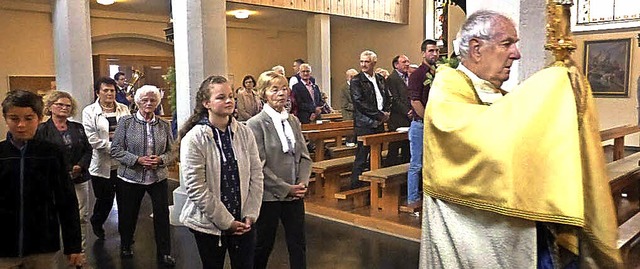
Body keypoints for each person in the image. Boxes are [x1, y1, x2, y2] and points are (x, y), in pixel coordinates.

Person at [420, 10, 621, 268]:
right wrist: (552, 84)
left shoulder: (493, 93)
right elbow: (484, 141)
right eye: (507, 44)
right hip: (474, 239)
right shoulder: (446, 94)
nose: (516, 53)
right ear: (476, 48)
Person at [178, 76, 264, 269]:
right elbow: (196, 187)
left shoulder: (244, 132)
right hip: (210, 223)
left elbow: (256, 174)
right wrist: (227, 222)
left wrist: (250, 213)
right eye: (221, 97)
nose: (229, 101)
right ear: (206, 103)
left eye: (231, 96)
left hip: (244, 219)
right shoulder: (194, 138)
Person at [0, 90, 85, 268]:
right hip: (4, 245)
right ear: (5, 118)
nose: (21, 125)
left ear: (38, 118)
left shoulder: (52, 153)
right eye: (14, 118)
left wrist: (73, 246)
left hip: (42, 243)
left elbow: (66, 200)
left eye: (28, 118)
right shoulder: (2, 153)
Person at [247, 71, 312, 269]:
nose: (281, 94)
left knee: (298, 244)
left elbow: (304, 156)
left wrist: (302, 183)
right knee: (263, 245)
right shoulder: (255, 124)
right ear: (263, 93)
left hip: (294, 195)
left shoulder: (292, 121)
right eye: (275, 90)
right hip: (270, 196)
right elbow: (258, 166)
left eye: (284, 89)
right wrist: (285, 188)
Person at [110, 85, 176, 266]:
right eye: (144, 100)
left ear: (157, 102)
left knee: (162, 216)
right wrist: (137, 159)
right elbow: (115, 149)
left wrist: (161, 160)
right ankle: (125, 245)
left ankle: (165, 252)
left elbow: (173, 152)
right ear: (137, 102)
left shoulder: (164, 124)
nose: (148, 103)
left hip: (157, 178)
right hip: (130, 177)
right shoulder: (125, 122)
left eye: (152, 100)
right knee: (128, 214)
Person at [35, 90, 92, 251]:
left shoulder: (78, 128)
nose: (64, 108)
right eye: (59, 104)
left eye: (68, 105)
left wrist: (80, 165)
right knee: (54, 217)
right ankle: (54, 251)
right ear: (50, 106)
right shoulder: (41, 130)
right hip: (53, 181)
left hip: (78, 178)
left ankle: (79, 253)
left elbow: (88, 150)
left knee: (81, 217)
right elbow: (39, 154)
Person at [82, 76, 131, 241]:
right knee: (105, 201)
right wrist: (118, 149)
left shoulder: (124, 109)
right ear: (98, 92)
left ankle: (126, 234)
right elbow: (93, 141)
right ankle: (97, 221)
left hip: (123, 166)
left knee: (126, 203)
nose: (110, 93)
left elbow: (130, 133)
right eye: (106, 90)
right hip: (101, 166)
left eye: (112, 90)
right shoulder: (89, 111)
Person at [350, 50, 391, 188]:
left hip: (378, 122)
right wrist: (379, 115)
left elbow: (388, 96)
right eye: (361, 61)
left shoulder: (379, 78)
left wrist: (387, 112)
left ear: (374, 62)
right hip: (365, 123)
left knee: (377, 155)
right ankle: (355, 186)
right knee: (362, 156)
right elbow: (359, 103)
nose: (363, 64)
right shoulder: (356, 80)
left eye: (366, 62)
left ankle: (374, 185)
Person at [407, 39, 439, 206]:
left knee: (431, 164)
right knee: (416, 164)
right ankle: (412, 199)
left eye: (436, 51)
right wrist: (428, 120)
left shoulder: (438, 74)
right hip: (421, 124)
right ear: (423, 53)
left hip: (433, 124)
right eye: (431, 51)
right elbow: (415, 101)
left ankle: (428, 196)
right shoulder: (418, 74)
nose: (434, 54)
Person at [385, 54, 412, 166]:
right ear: (396, 65)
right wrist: (407, 111)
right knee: (394, 148)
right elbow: (394, 99)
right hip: (398, 119)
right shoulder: (392, 78)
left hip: (408, 118)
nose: (407, 64)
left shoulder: (408, 77)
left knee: (407, 149)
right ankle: (390, 170)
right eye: (404, 62)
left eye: (408, 61)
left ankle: (404, 177)